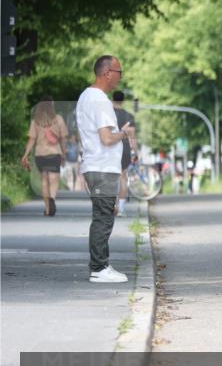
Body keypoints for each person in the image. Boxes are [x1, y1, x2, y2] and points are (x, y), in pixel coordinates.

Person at [77, 56, 134, 284]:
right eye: (119, 71)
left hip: (94, 165)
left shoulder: (85, 96)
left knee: (102, 216)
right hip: (102, 167)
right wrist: (124, 133)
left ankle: (101, 265)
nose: (121, 75)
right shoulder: (100, 100)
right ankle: (99, 268)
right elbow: (107, 137)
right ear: (107, 73)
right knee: (103, 218)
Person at [21, 96, 69, 216]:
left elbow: (31, 140)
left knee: (44, 180)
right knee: (54, 179)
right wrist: (64, 153)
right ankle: (52, 198)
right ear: (52, 105)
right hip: (54, 153)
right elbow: (63, 139)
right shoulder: (58, 119)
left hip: (40, 155)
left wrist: (25, 155)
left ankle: (48, 209)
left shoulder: (36, 121)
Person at [112, 91, 137, 217]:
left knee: (109, 178)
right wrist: (135, 153)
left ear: (112, 99)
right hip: (124, 150)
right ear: (123, 101)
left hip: (109, 149)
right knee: (123, 178)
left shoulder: (107, 114)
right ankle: (121, 209)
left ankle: (110, 206)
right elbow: (132, 137)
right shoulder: (129, 116)